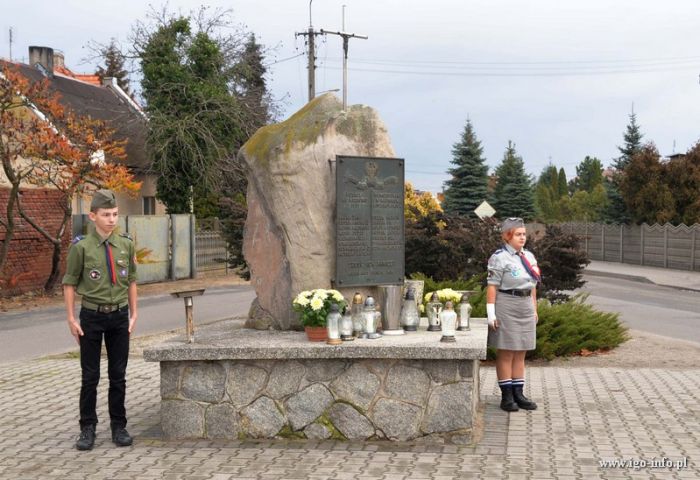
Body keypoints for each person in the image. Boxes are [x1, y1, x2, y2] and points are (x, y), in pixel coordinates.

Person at [62, 190, 138, 450]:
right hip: (91, 317)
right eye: (106, 215)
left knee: (118, 375)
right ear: (93, 216)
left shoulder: (126, 244)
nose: (112, 219)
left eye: (115, 214)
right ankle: (87, 428)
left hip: (118, 316)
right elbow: (69, 283)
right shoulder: (81, 247)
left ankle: (119, 426)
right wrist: (71, 318)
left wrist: (134, 313)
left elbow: (131, 281)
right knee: (90, 375)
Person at [486, 217, 540, 412]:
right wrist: (490, 313)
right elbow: (492, 287)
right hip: (507, 305)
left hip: (525, 305)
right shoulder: (499, 257)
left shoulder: (529, 257)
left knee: (521, 352)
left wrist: (534, 309)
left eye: (524, 234)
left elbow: (533, 286)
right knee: (507, 351)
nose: (522, 237)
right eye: (518, 234)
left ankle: (519, 393)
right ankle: (506, 396)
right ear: (508, 236)